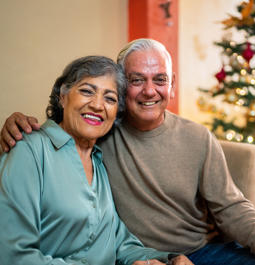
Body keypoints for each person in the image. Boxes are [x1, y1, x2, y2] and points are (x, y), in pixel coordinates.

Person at [0, 39, 255, 265]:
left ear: (172, 85)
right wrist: (18, 125)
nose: (149, 91)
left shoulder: (195, 137)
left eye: (160, 80)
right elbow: (66, 130)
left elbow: (231, 207)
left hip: (194, 253)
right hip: (137, 258)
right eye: (136, 80)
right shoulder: (99, 136)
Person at [0, 55, 193, 265]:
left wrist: (168, 259)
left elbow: (119, 244)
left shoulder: (99, 162)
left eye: (110, 98)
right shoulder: (29, 150)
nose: (97, 105)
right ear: (62, 97)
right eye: (86, 91)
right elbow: (12, 255)